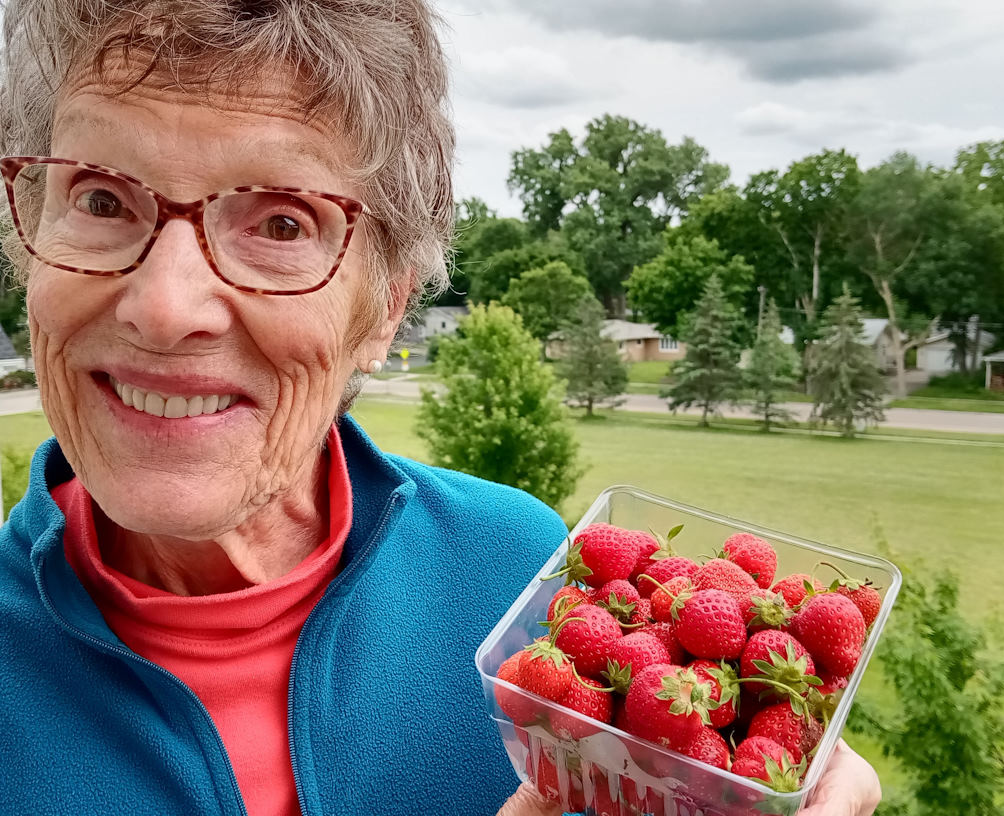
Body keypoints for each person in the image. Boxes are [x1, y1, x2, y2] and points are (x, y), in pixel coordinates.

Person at [0, 2, 881, 815]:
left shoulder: (523, 577)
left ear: (382, 310)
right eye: (101, 198)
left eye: (280, 224)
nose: (165, 306)